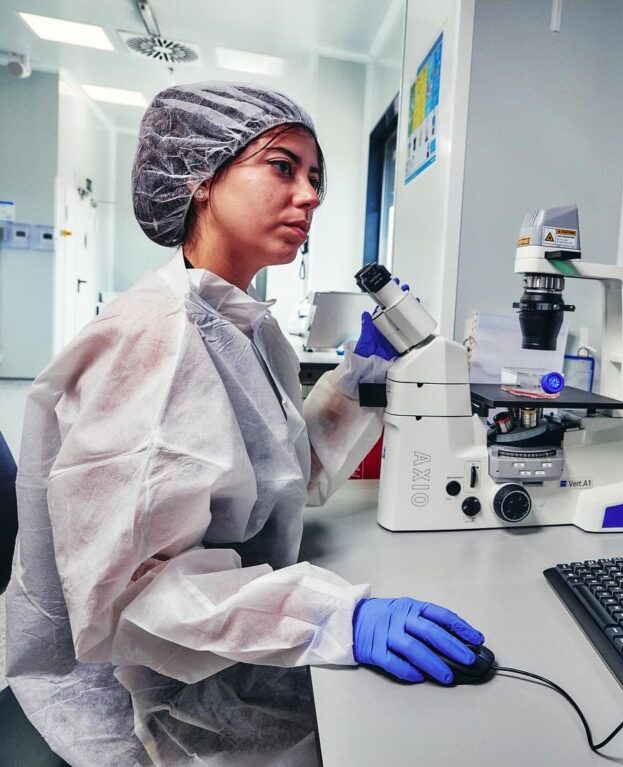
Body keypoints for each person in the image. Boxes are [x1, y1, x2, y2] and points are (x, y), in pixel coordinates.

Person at [4, 82, 485, 766]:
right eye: (283, 167)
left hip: (220, 638)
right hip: (156, 691)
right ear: (201, 180)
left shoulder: (239, 324)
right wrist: (333, 616)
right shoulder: (154, 339)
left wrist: (359, 375)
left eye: (316, 177)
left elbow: (284, 471)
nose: (312, 195)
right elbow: (138, 596)